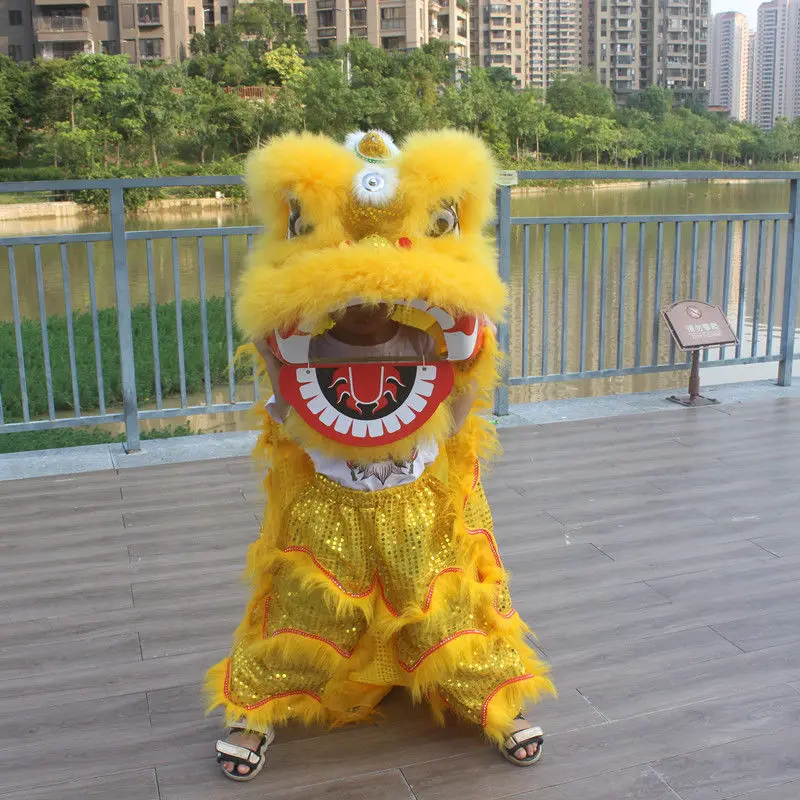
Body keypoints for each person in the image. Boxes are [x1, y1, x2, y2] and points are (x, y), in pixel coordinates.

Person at [205, 129, 555, 782]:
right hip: (328, 502)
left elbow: (458, 412)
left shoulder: (439, 339)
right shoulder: (290, 343)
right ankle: (252, 709)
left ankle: (490, 699)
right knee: (303, 606)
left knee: (442, 604)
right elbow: (288, 411)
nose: (366, 307)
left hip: (418, 500)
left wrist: (469, 348)